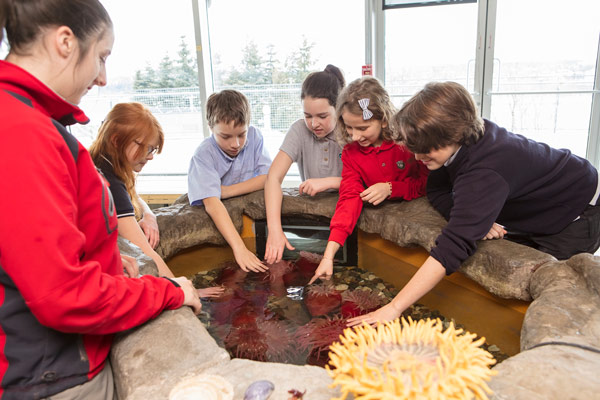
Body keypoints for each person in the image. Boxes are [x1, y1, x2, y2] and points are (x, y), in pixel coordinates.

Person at [0, 1, 201, 399]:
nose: (103, 78)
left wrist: (103, 260)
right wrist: (170, 291)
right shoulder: (23, 132)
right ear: (64, 42)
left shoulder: (33, 121)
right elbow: (62, 295)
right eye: (102, 57)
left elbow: (37, 249)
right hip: (53, 376)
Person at [348, 81, 600, 326]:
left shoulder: (484, 171)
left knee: (548, 292)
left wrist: (394, 307)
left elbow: (453, 246)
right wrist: (470, 219)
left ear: (452, 134)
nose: (417, 157)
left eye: (425, 150)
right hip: (537, 199)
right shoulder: (460, 140)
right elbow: (436, 188)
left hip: (578, 209)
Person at [89, 103, 224, 298]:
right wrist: (185, 290)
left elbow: (131, 194)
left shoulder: (102, 162)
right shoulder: (108, 181)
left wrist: (149, 214)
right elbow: (145, 250)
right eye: (148, 148)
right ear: (117, 140)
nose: (150, 156)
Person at [308, 76, 429, 285]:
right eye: (349, 128)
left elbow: (428, 184)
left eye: (362, 128)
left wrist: (391, 188)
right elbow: (348, 198)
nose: (355, 137)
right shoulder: (351, 154)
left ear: (383, 119)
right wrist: (328, 256)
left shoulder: (406, 142)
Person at [264, 64, 345, 264]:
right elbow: (273, 178)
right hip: (313, 222)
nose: (314, 123)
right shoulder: (300, 131)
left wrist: (329, 182)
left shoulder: (350, 131)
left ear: (338, 108)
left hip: (345, 220)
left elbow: (366, 183)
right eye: (308, 116)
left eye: (322, 116)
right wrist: (275, 230)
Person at [188, 90, 272, 272]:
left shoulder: (255, 136)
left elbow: (268, 178)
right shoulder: (203, 155)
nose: (235, 144)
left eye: (241, 134)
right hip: (218, 223)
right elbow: (211, 203)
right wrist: (240, 248)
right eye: (225, 137)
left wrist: (225, 191)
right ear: (211, 127)